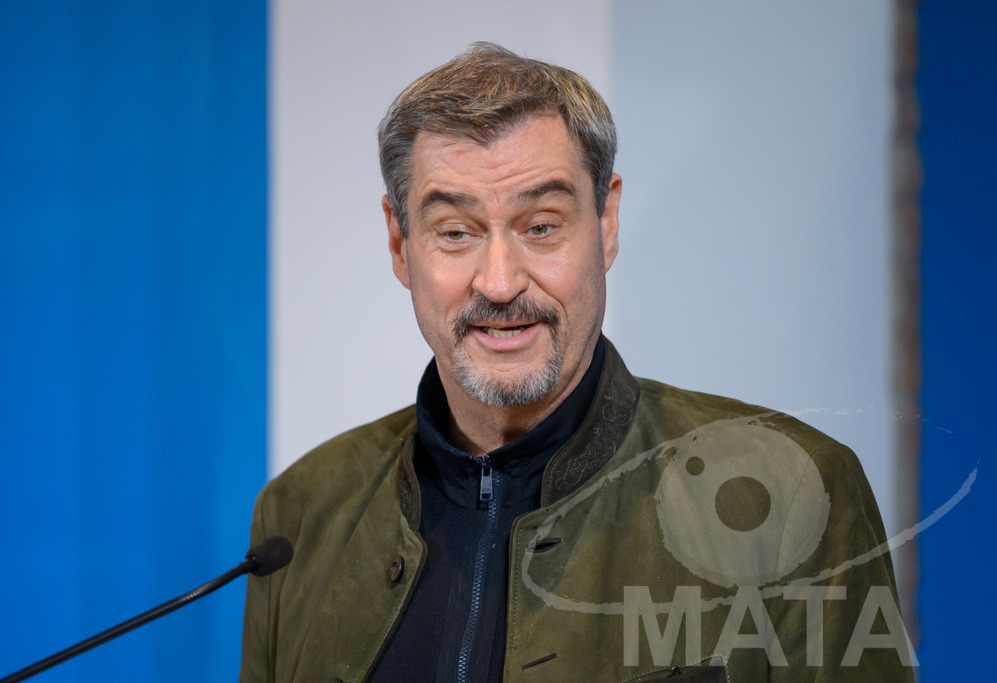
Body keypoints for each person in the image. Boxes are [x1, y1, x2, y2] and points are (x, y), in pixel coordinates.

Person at [240, 43, 915, 682]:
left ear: (606, 222)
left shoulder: (793, 495)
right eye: (456, 232)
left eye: (541, 226)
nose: (499, 282)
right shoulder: (300, 515)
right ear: (399, 243)